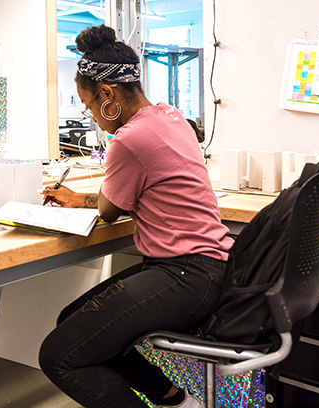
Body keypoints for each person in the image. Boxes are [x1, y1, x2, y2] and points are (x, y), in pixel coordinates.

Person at [38, 25, 233, 408]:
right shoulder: (170, 116)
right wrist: (81, 199)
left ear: (107, 94)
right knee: (72, 319)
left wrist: (90, 201)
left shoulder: (128, 138)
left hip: (184, 275)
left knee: (59, 357)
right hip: (211, 267)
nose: (91, 115)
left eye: (88, 104)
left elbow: (111, 211)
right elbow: (135, 193)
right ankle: (176, 400)